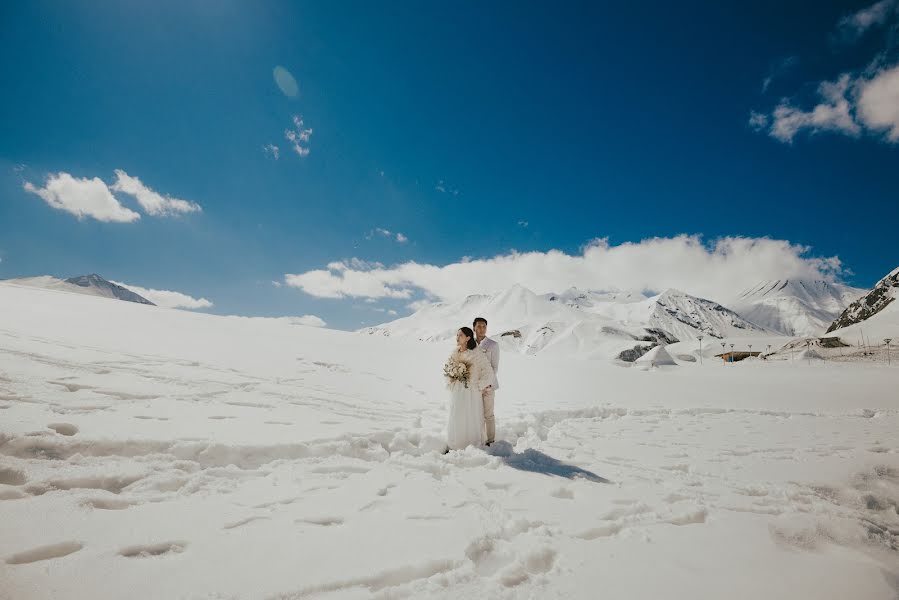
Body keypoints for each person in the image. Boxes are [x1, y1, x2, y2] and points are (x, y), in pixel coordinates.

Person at [445, 326, 495, 451]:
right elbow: (448, 368)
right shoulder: (455, 352)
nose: (457, 337)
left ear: (468, 337)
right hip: (458, 391)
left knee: (471, 417)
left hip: (472, 392)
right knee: (458, 415)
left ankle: (471, 445)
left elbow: (488, 371)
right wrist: (452, 376)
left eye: (460, 335)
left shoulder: (476, 352)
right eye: (457, 335)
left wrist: (479, 385)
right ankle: (456, 444)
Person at [473, 317, 499, 445]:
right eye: (479, 326)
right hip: (474, 386)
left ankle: (491, 440)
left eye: (484, 326)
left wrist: (486, 384)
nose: (481, 329)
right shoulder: (470, 344)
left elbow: (494, 367)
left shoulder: (493, 345)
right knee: (476, 415)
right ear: (474, 328)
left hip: (488, 386)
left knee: (488, 414)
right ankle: (479, 439)